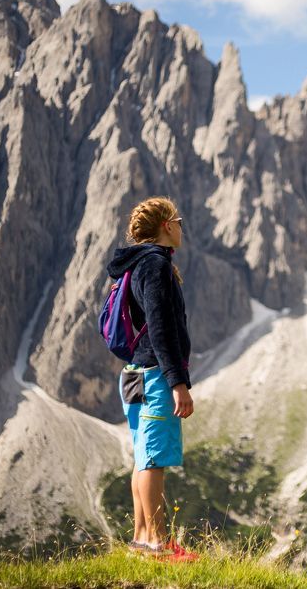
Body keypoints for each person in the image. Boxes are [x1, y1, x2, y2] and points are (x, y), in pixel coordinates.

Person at [106, 196, 198, 561]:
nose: (181, 226)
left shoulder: (135, 264)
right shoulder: (156, 265)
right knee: (153, 459)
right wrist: (177, 383)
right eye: (177, 220)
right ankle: (159, 544)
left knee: (143, 456)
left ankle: (143, 538)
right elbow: (161, 328)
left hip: (133, 374)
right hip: (155, 375)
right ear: (165, 226)